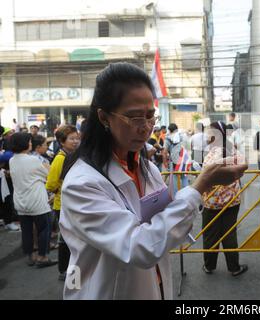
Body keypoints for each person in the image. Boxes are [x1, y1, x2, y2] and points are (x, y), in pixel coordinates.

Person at [58, 62, 247, 300]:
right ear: (104, 117)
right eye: (134, 117)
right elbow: (140, 246)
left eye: (150, 116)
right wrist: (201, 186)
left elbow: (161, 222)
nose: (146, 128)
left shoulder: (146, 167)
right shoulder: (82, 184)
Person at [201, 121, 248, 276]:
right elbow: (244, 164)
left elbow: (207, 175)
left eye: (210, 132)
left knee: (210, 234)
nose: (207, 135)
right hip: (231, 201)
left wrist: (225, 170)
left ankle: (209, 266)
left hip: (212, 202)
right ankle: (234, 267)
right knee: (229, 234)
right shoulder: (230, 149)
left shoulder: (216, 153)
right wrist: (234, 171)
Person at [8, 132, 57, 268]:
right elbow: (49, 174)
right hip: (37, 201)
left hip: (20, 201)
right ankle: (42, 256)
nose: (31, 143)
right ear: (24, 143)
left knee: (27, 231)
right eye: (29, 141)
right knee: (44, 229)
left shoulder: (12, 160)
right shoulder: (33, 160)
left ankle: (30, 256)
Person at [46, 125, 80, 281]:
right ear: (61, 141)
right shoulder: (60, 158)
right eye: (71, 139)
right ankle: (64, 270)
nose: (75, 141)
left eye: (77, 138)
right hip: (63, 205)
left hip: (71, 204)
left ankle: (71, 270)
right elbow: (51, 184)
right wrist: (59, 191)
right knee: (66, 240)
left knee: (72, 239)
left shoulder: (72, 155)